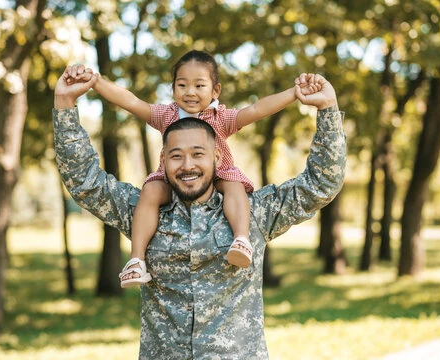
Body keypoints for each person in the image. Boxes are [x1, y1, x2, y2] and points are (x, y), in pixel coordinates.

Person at [53, 66, 346, 359]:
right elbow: (85, 182)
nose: (187, 165)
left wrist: (328, 110)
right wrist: (65, 105)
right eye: (176, 156)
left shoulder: (252, 212)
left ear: (217, 157)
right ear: (163, 160)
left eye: (198, 154)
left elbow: (321, 183)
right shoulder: (144, 213)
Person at [63, 50, 321, 288]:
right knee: (151, 191)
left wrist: (293, 94)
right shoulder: (166, 115)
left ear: (215, 90)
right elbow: (130, 101)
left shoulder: (221, 118)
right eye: (182, 85)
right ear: (173, 88)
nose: (190, 92)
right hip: (173, 179)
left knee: (234, 187)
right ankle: (137, 260)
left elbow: (256, 109)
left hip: (219, 175)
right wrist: (96, 81)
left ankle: (241, 239)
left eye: (200, 85)